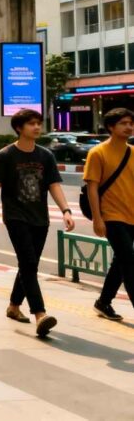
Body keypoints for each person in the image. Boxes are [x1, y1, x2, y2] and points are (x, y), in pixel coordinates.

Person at [0, 109, 73, 337]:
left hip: (40, 218)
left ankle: (13, 306)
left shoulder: (46, 156)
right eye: (31, 124)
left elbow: (54, 185)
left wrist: (66, 210)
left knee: (28, 265)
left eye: (38, 123)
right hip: (16, 216)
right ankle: (40, 314)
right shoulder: (5, 156)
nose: (37, 127)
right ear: (19, 128)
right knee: (29, 262)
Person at [85, 107, 134, 323]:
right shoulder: (98, 153)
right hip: (112, 216)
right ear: (111, 127)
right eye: (123, 123)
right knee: (129, 262)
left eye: (131, 123)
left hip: (132, 214)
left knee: (121, 261)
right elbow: (92, 188)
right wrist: (97, 218)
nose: (129, 127)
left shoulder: (133, 152)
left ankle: (104, 302)